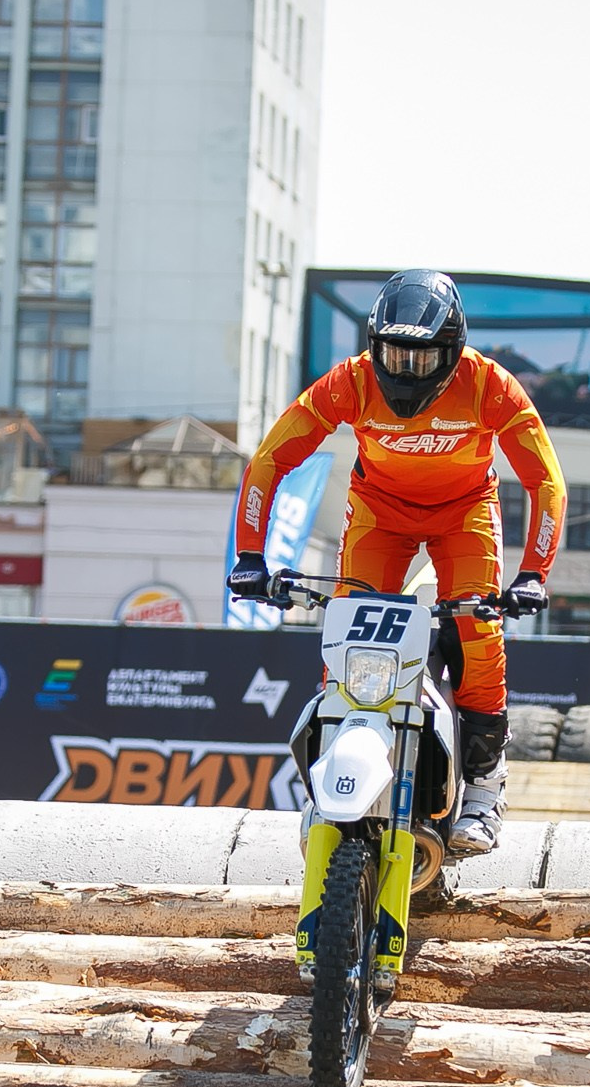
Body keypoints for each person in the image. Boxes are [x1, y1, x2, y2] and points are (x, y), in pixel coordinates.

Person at [228, 269, 565, 856]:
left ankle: (485, 787)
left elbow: (546, 481)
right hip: (378, 515)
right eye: (393, 354)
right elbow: (268, 462)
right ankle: (333, 777)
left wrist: (534, 573)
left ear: (454, 350)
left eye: (422, 357)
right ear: (373, 343)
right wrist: (251, 556)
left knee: (478, 633)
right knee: (346, 636)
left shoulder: (491, 386)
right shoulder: (348, 383)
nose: (404, 369)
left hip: (465, 515)